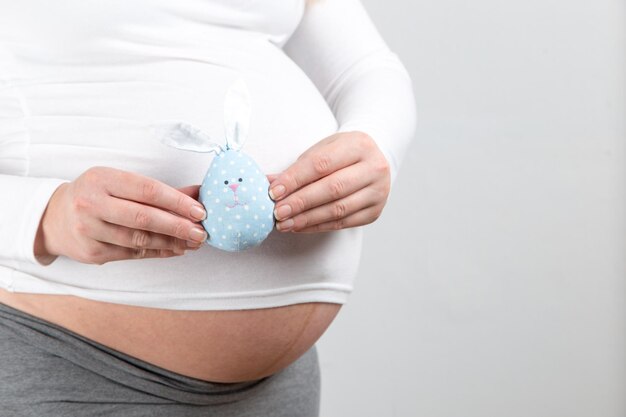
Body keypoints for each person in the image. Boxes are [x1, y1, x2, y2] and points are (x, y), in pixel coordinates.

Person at [0, 0, 416, 415]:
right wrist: (42, 216)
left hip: (279, 386)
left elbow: (366, 68)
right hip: (64, 359)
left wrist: (376, 142)